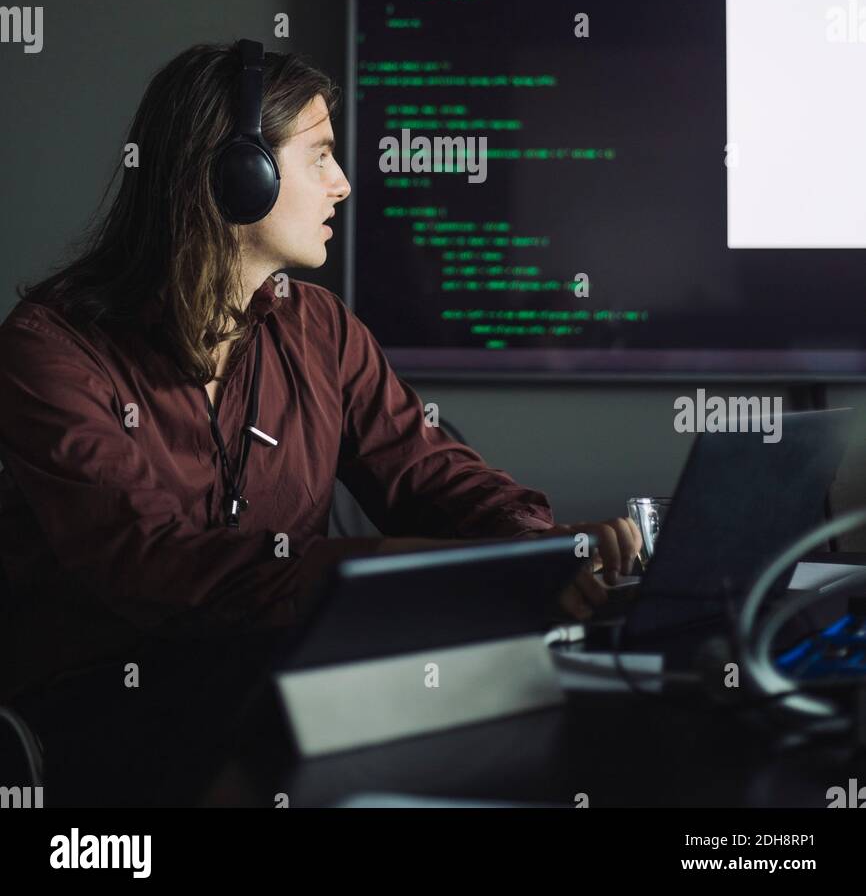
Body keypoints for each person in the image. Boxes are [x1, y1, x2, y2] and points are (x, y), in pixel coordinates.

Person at [0, 40, 640, 803]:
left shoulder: (322, 330)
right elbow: (149, 563)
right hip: (98, 711)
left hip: (278, 687)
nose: (342, 186)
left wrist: (542, 550)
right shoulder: (47, 352)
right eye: (321, 158)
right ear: (238, 176)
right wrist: (375, 572)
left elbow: (432, 472)